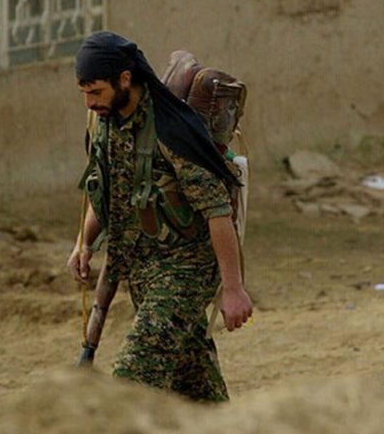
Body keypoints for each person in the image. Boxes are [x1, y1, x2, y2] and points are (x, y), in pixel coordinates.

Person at [66, 31, 252, 402]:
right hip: (143, 272)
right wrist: (84, 244)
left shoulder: (171, 130)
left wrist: (233, 288)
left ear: (124, 79)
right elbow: (107, 192)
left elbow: (217, 210)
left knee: (134, 377)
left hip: (186, 270)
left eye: (96, 92)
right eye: (84, 93)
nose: (89, 103)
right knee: (194, 388)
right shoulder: (106, 123)